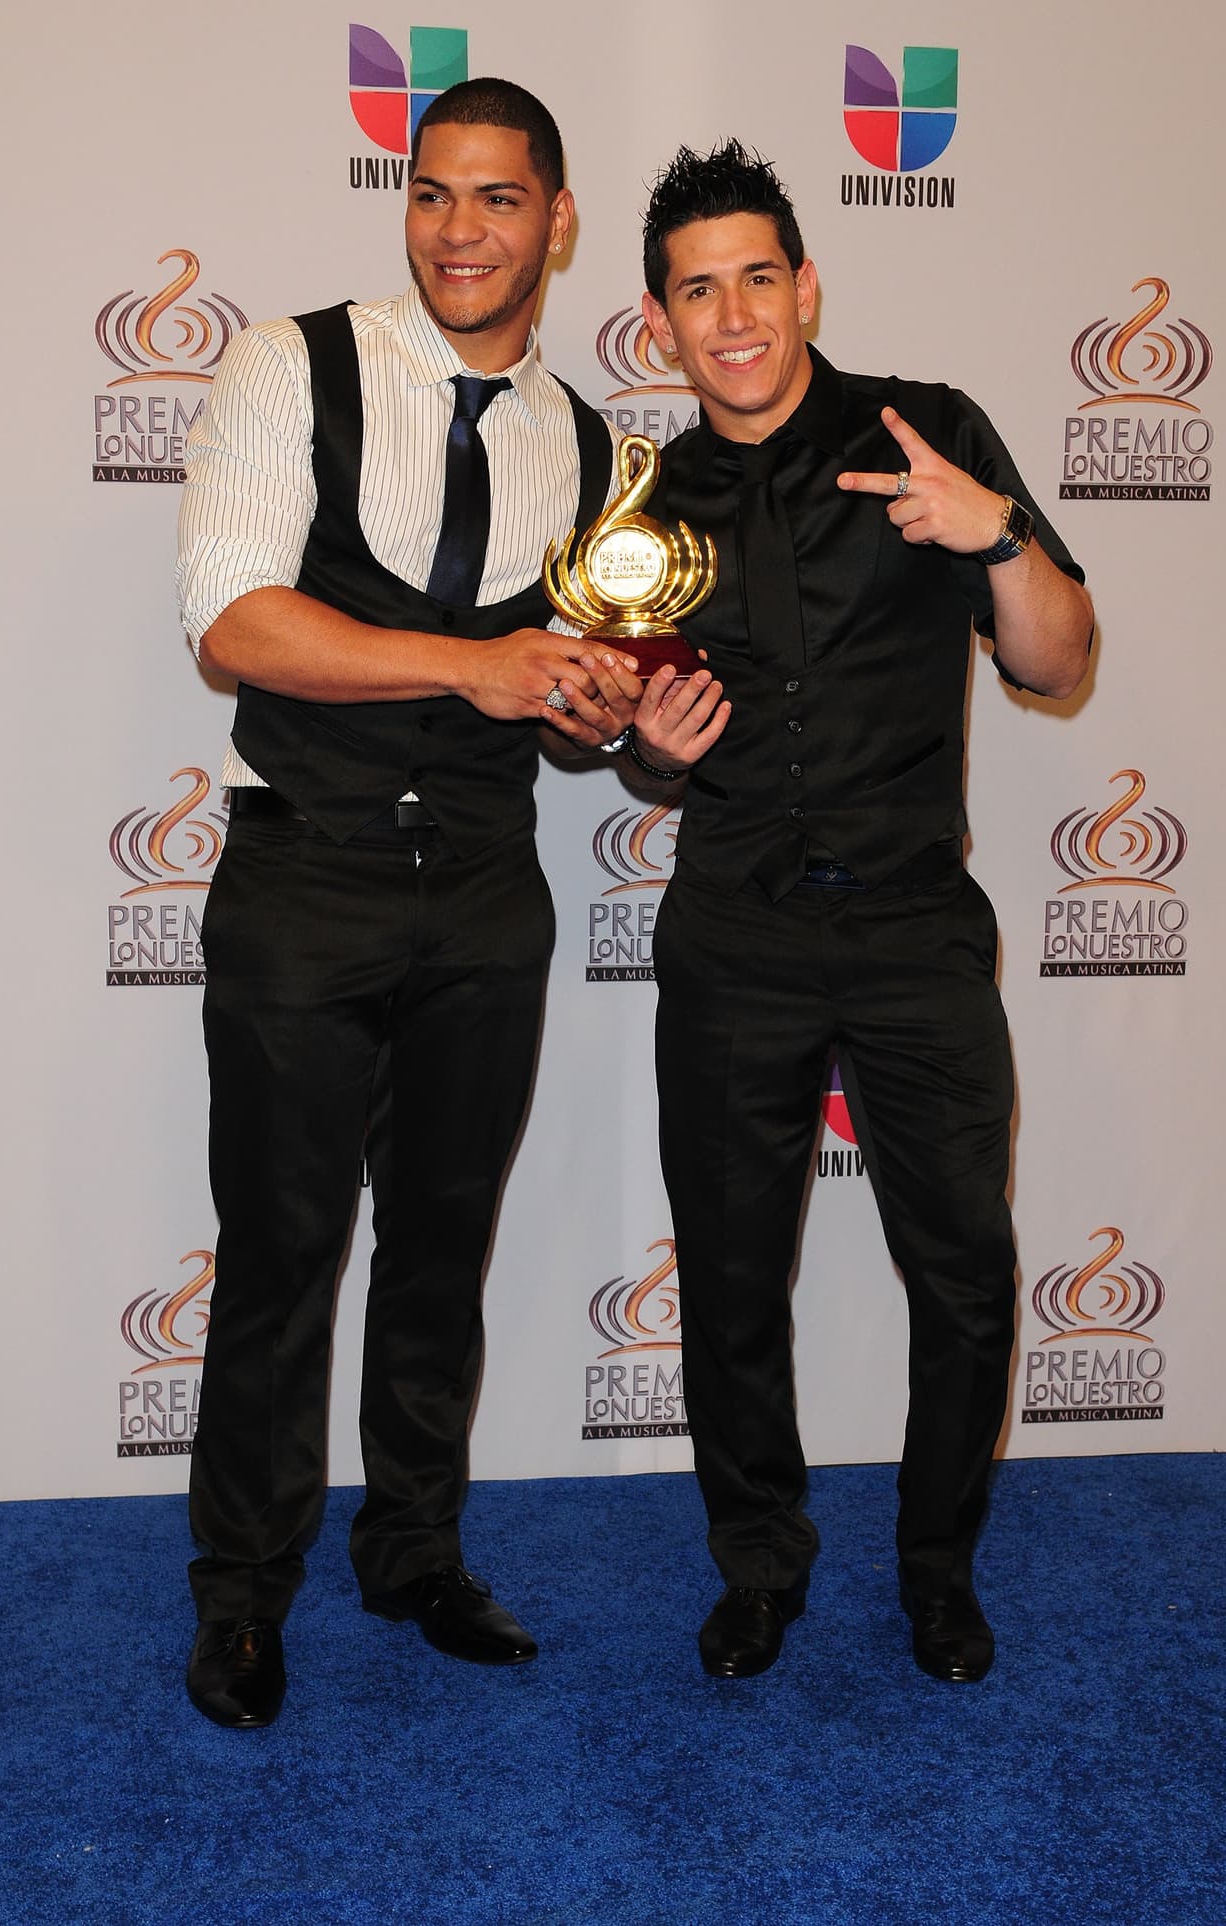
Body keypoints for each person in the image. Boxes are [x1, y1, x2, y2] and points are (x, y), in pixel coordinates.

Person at [175, 78, 640, 1728]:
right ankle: (241, 1596)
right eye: (434, 193)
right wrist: (481, 666)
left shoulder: (592, 446)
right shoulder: (284, 363)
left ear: (556, 220)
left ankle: (414, 1549)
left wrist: (601, 710)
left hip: (490, 901)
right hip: (308, 876)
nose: (460, 228)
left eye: (499, 199)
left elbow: (571, 701)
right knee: (284, 1254)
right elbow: (236, 621)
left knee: (441, 1250)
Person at [624, 140, 1093, 1683]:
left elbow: (1057, 656)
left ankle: (939, 1570)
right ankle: (759, 1561)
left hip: (912, 930)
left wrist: (1001, 534)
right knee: (735, 1274)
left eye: (759, 276)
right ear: (661, 322)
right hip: (733, 937)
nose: (735, 313)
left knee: (964, 1268)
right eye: (700, 289)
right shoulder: (649, 501)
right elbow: (626, 729)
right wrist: (647, 749)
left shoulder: (927, 434)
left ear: (807, 283)